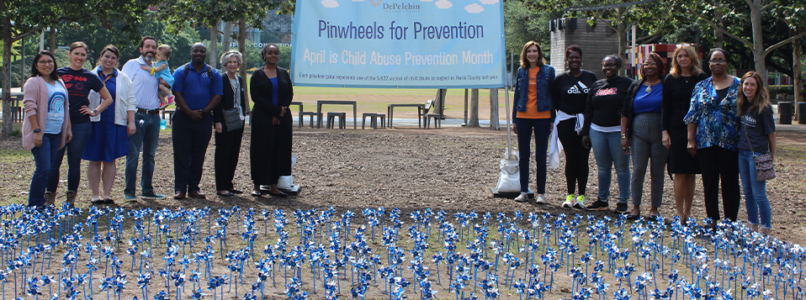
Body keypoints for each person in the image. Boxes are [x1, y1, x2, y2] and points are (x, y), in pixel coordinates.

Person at [48, 42, 113, 206]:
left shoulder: (90, 76)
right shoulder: (57, 74)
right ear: (69, 54)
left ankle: (70, 200)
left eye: (83, 55)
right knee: (54, 163)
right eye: (76, 53)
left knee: (74, 163)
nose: (79, 57)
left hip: (81, 124)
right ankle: (49, 198)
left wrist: (94, 111)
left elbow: (108, 98)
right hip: (59, 124)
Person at [684, 48, 742, 227]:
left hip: (731, 143)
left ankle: (730, 220)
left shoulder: (739, 84)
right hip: (705, 142)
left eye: (721, 60)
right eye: (714, 60)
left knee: (730, 182)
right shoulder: (701, 86)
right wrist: (691, 139)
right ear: (708, 63)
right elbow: (693, 114)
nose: (717, 63)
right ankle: (712, 219)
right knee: (709, 182)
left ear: (727, 63)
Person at [85, 45, 137, 204]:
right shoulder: (90, 75)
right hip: (95, 123)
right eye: (107, 56)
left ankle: (107, 194)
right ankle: (95, 195)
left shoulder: (123, 78)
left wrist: (131, 122)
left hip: (115, 123)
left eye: (113, 58)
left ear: (117, 61)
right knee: (94, 159)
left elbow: (130, 101)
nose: (109, 60)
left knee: (110, 159)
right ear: (101, 56)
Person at [662, 45, 708, 222]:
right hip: (676, 129)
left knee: (691, 172)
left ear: (692, 58)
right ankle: (679, 212)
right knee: (679, 172)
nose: (683, 59)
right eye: (679, 56)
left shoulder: (702, 78)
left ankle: (688, 212)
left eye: (686, 56)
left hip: (697, 129)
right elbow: (665, 107)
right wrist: (664, 131)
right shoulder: (670, 79)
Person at [171, 43, 223, 199]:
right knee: (181, 154)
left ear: (206, 54)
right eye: (196, 51)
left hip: (204, 119)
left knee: (198, 154)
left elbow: (217, 96)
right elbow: (177, 94)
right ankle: (180, 189)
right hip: (183, 118)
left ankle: (194, 187)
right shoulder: (181, 72)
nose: (198, 53)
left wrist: (204, 112)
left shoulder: (214, 73)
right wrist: (189, 112)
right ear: (191, 52)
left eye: (202, 51)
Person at [621, 52, 669, 220]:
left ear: (660, 67)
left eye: (653, 64)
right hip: (638, 132)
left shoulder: (665, 85)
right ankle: (635, 207)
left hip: (659, 132)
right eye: (646, 64)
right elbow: (626, 112)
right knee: (638, 170)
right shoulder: (635, 86)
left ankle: (654, 208)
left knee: (657, 171)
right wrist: (623, 135)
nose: (649, 67)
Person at [582, 55, 633, 212]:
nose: (607, 68)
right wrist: (585, 132)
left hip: (618, 131)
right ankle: (602, 200)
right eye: (604, 65)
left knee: (622, 167)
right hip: (597, 131)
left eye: (611, 65)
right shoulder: (597, 85)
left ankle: (623, 201)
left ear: (617, 66)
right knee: (603, 168)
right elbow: (589, 109)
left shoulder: (627, 84)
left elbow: (632, 105)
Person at [23, 51, 72, 207]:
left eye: (49, 61)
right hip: (41, 133)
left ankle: (41, 202)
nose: (46, 64)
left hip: (56, 132)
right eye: (42, 62)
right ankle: (35, 204)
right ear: (36, 65)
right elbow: (30, 107)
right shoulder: (33, 82)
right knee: (43, 169)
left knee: (49, 168)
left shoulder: (59, 82)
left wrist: (68, 129)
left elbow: (66, 107)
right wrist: (37, 131)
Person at [121, 36, 167, 201]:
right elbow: (122, 89)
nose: (151, 50)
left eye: (153, 47)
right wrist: (128, 116)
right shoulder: (132, 65)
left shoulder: (157, 68)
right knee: (133, 154)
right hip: (137, 115)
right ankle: (129, 191)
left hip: (154, 116)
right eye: (147, 46)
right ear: (141, 49)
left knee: (150, 155)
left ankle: (147, 190)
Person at [550, 45, 596, 209]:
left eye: (577, 57)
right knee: (571, 159)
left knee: (583, 159)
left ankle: (581, 197)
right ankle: (570, 196)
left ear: (581, 58)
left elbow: (595, 100)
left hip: (586, 123)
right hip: (566, 123)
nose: (574, 60)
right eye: (571, 58)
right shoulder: (560, 80)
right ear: (566, 60)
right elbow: (555, 101)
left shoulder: (591, 77)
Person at [511, 41, 555, 204]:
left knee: (540, 156)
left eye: (534, 51)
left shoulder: (549, 71)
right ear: (525, 53)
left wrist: (552, 118)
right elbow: (517, 95)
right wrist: (514, 119)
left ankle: (541, 193)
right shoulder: (521, 71)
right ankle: (523, 191)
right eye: (529, 51)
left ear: (539, 53)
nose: (532, 54)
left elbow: (552, 95)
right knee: (524, 156)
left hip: (542, 117)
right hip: (523, 117)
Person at [250, 44, 293, 197]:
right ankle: (257, 185)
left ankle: (274, 185)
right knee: (260, 150)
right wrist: (275, 111)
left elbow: (289, 94)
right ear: (264, 55)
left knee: (278, 151)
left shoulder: (283, 73)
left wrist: (280, 113)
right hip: (262, 118)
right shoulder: (257, 75)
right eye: (270, 53)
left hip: (281, 119)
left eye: (276, 53)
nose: (273, 55)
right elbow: (256, 98)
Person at [736, 71, 776, 235]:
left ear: (758, 86)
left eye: (752, 84)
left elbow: (771, 134)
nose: (748, 87)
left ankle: (765, 230)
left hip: (757, 155)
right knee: (748, 193)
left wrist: (771, 156)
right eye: (746, 84)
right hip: (742, 154)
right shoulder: (743, 105)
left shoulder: (763, 108)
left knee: (759, 193)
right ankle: (753, 227)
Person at [213, 50, 247, 197]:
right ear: (225, 64)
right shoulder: (221, 79)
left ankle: (229, 184)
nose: (233, 64)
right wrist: (218, 122)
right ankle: (221, 186)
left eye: (235, 62)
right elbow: (217, 102)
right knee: (223, 154)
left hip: (238, 121)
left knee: (234, 154)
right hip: (225, 122)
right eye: (230, 62)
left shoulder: (239, 79)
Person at [141, 44, 175, 109]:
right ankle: (163, 101)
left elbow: (156, 70)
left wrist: (146, 68)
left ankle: (170, 96)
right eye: (156, 53)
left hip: (167, 80)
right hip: (162, 80)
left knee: (160, 86)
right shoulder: (158, 62)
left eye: (158, 55)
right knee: (158, 91)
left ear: (164, 57)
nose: (156, 55)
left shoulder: (163, 64)